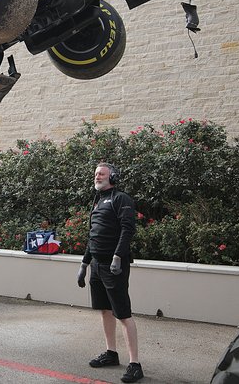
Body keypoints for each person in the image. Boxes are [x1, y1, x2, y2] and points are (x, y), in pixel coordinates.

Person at [76, 162, 143, 383]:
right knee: (105, 310)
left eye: (102, 173)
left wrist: (117, 256)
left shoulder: (120, 198)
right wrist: (84, 264)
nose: (97, 176)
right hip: (96, 264)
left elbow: (128, 229)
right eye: (95, 173)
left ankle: (135, 364)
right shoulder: (97, 200)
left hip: (114, 265)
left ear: (112, 176)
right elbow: (93, 235)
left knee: (122, 313)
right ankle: (111, 353)